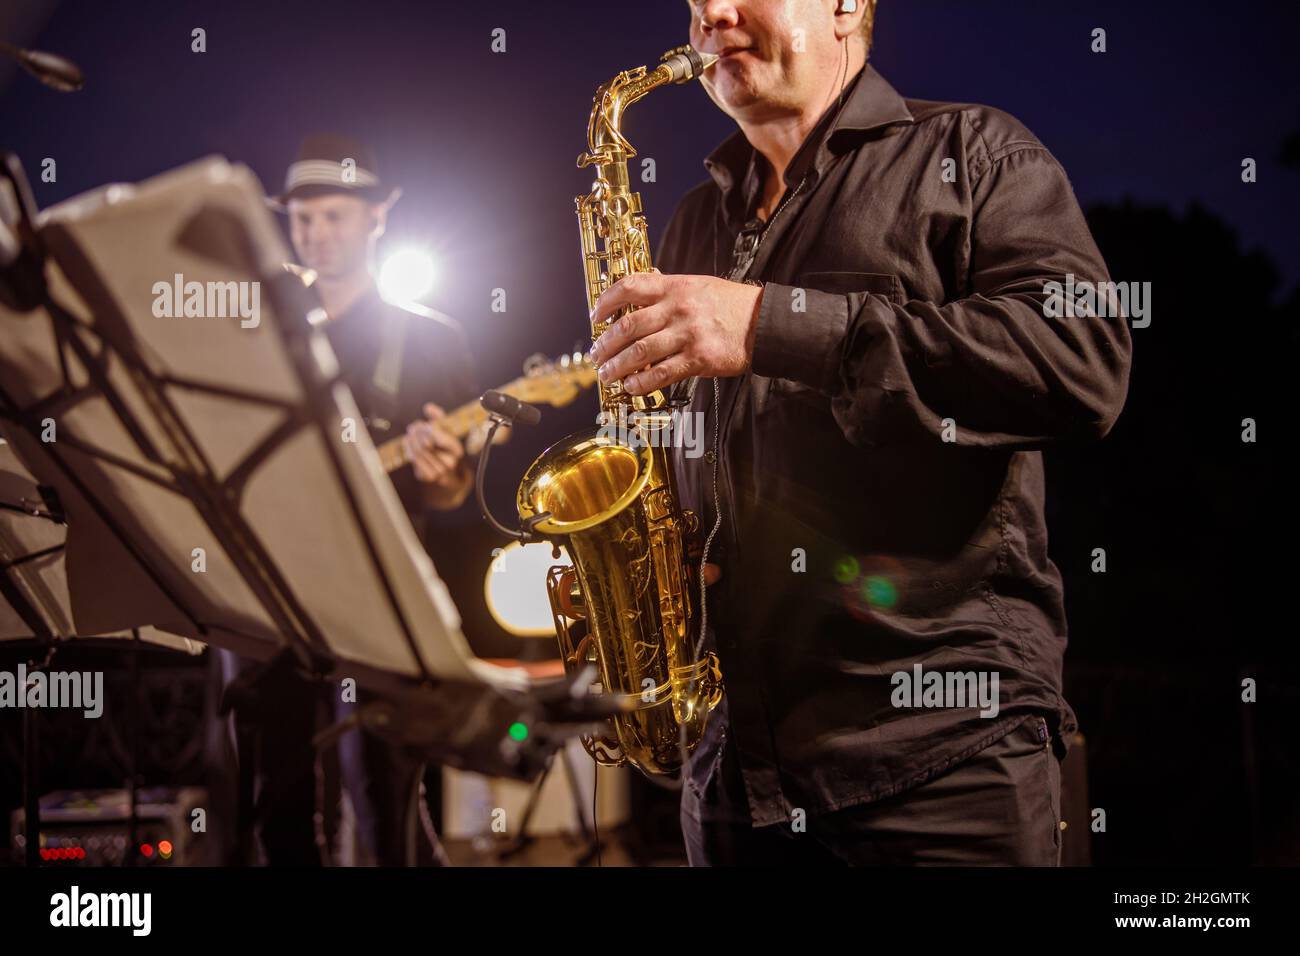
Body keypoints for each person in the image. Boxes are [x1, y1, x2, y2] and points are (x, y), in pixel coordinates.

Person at [588, 0, 1131, 864]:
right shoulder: (694, 219)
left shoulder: (976, 152)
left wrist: (771, 324)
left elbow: (1081, 363)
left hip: (942, 765)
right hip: (732, 779)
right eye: (694, 0)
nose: (710, 15)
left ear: (847, 4)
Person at [220, 135, 484, 865]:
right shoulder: (255, 335)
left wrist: (441, 468)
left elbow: (454, 488)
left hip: (379, 594)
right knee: (274, 796)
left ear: (378, 217)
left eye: (334, 216)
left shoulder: (433, 339)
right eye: (303, 219)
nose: (316, 234)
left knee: (386, 787)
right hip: (268, 590)